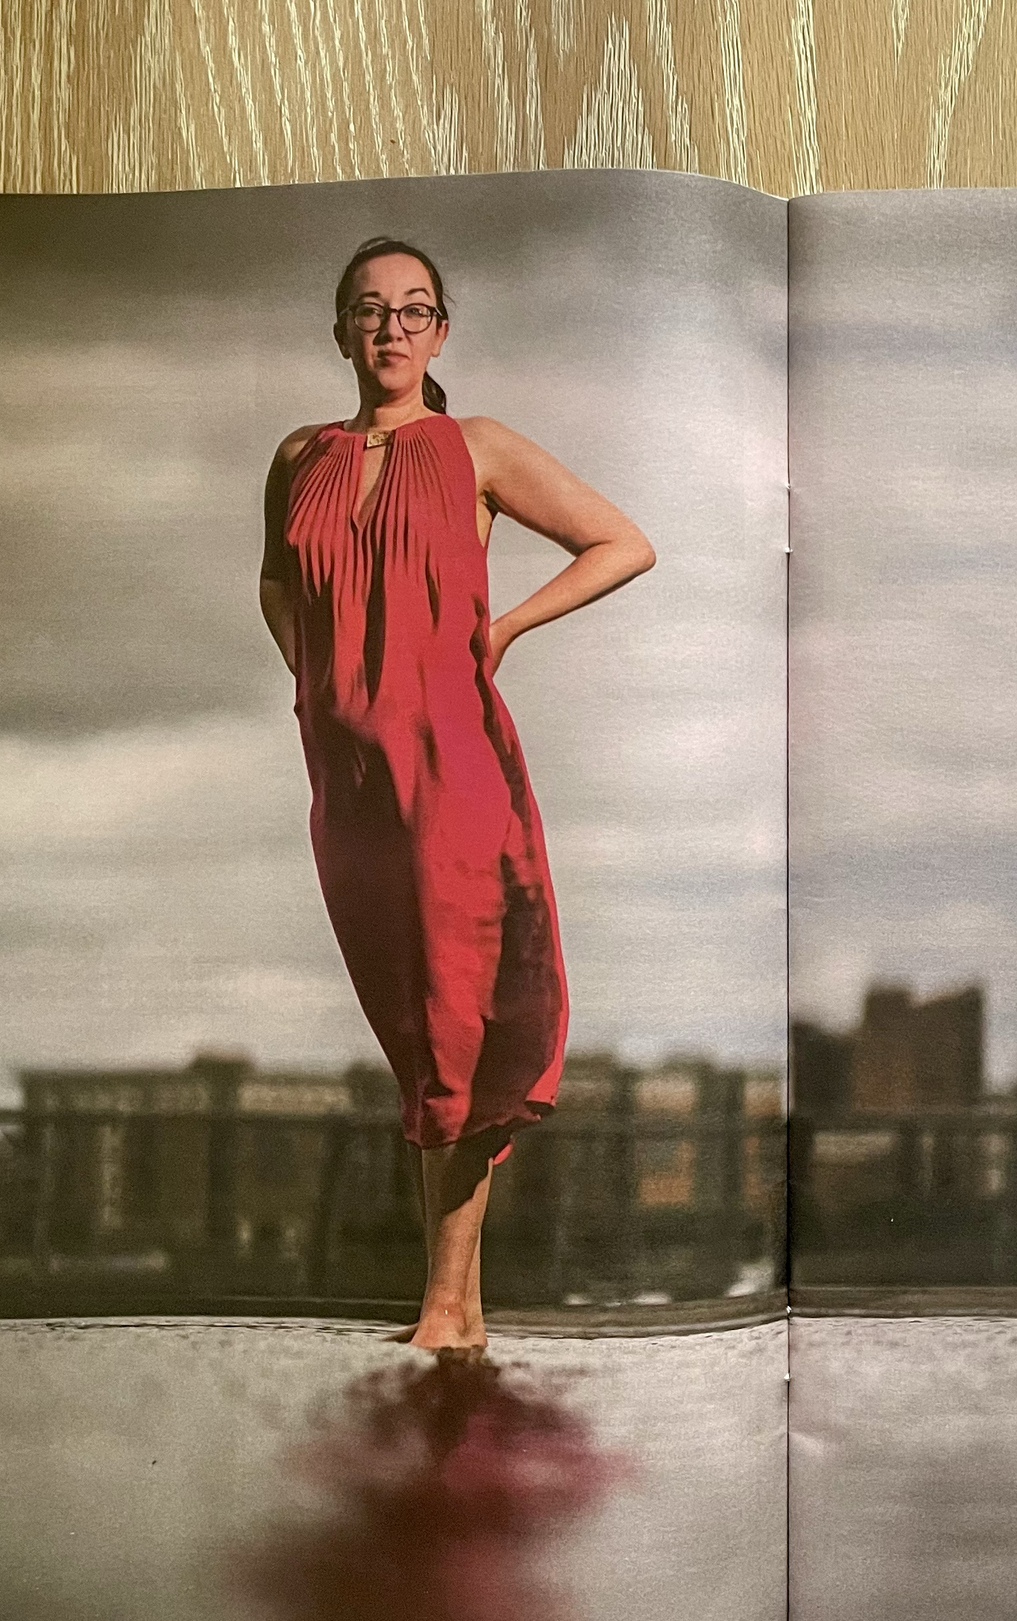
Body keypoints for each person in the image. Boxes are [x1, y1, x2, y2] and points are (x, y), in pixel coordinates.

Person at [258, 237, 654, 1352]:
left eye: (412, 310)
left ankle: (441, 1304)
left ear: (439, 332)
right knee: (410, 1026)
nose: (390, 328)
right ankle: (460, 1310)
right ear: (342, 331)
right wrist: (313, 678)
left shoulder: (474, 447)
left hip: (452, 766)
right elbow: (276, 582)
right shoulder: (299, 455)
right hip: (348, 779)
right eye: (369, 310)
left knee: (455, 1025)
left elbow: (621, 543)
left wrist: (508, 625)